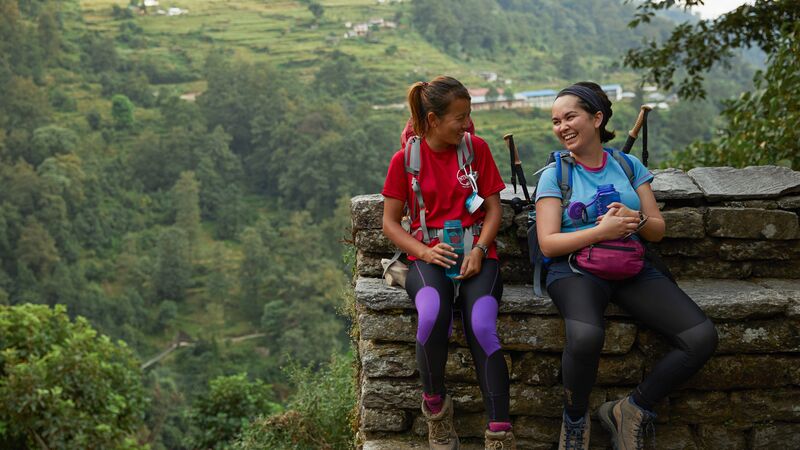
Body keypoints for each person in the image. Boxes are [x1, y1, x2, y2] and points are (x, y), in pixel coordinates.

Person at [535, 81, 718, 450]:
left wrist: (634, 219)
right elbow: (548, 243)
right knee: (586, 337)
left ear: (597, 118)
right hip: (574, 269)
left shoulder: (627, 165)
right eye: (556, 121)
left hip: (631, 263)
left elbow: (657, 230)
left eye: (570, 116)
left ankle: (632, 409)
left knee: (701, 338)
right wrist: (600, 232)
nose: (562, 127)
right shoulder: (556, 175)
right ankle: (574, 421)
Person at [382, 76, 514, 449]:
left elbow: (492, 209)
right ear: (432, 120)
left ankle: (500, 433)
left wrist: (479, 249)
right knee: (431, 315)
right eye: (459, 117)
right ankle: (436, 411)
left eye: (468, 115)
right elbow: (390, 223)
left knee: (482, 325)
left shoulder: (476, 150)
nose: (467, 124)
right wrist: (423, 253)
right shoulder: (406, 161)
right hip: (428, 257)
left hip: (477, 255)